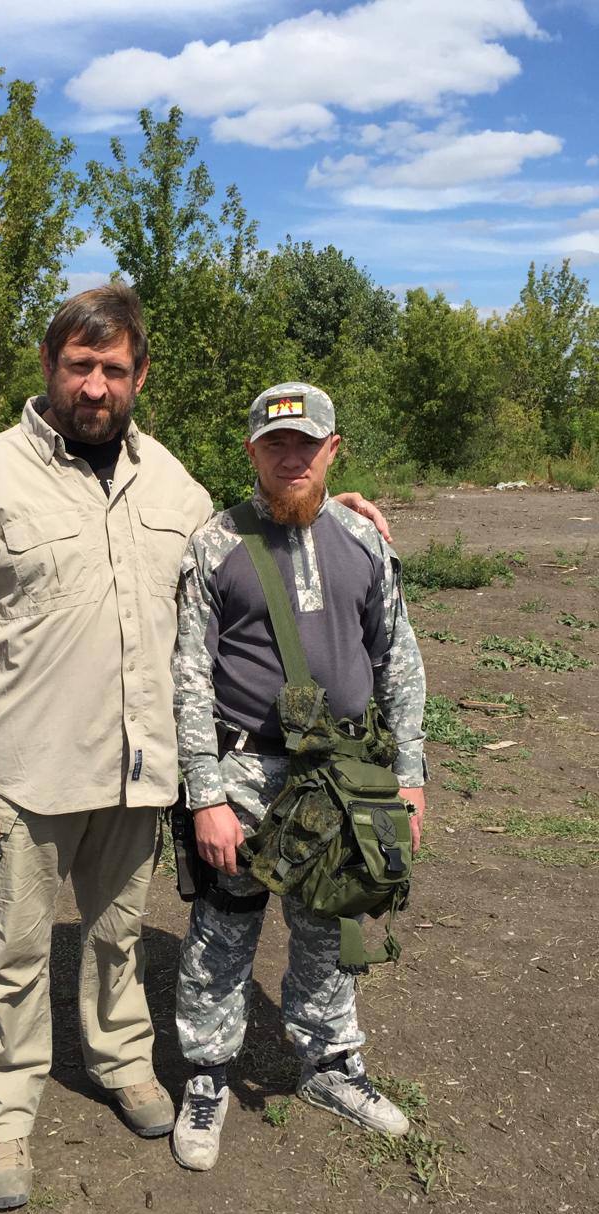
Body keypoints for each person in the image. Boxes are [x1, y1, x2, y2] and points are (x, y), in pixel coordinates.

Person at [0, 288, 391, 1210]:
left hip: (138, 770)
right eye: (78, 366)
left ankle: (123, 1062)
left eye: (113, 368)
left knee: (116, 935)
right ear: (49, 367)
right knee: (13, 950)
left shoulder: (173, 485)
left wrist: (327, 511)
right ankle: (4, 1115)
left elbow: (242, 549)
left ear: (139, 376)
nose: (95, 385)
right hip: (23, 768)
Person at [171, 381, 426, 1173]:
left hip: (345, 775)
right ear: (252, 451)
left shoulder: (363, 539)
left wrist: (410, 775)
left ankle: (329, 1064)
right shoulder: (215, 546)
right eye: (275, 444)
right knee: (224, 927)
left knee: (331, 921)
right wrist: (206, 795)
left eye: (306, 445)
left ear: (332, 450)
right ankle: (208, 1074)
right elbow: (188, 678)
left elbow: (399, 658)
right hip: (245, 771)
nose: (292, 458)